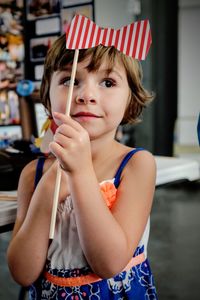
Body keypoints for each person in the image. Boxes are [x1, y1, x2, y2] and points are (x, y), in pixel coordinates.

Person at [7, 33, 158, 299]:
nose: (86, 95)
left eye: (108, 82)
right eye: (69, 80)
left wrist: (81, 174)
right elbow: (22, 272)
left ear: (130, 100)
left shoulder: (137, 165)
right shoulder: (35, 174)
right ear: (47, 94)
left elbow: (109, 263)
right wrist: (48, 190)